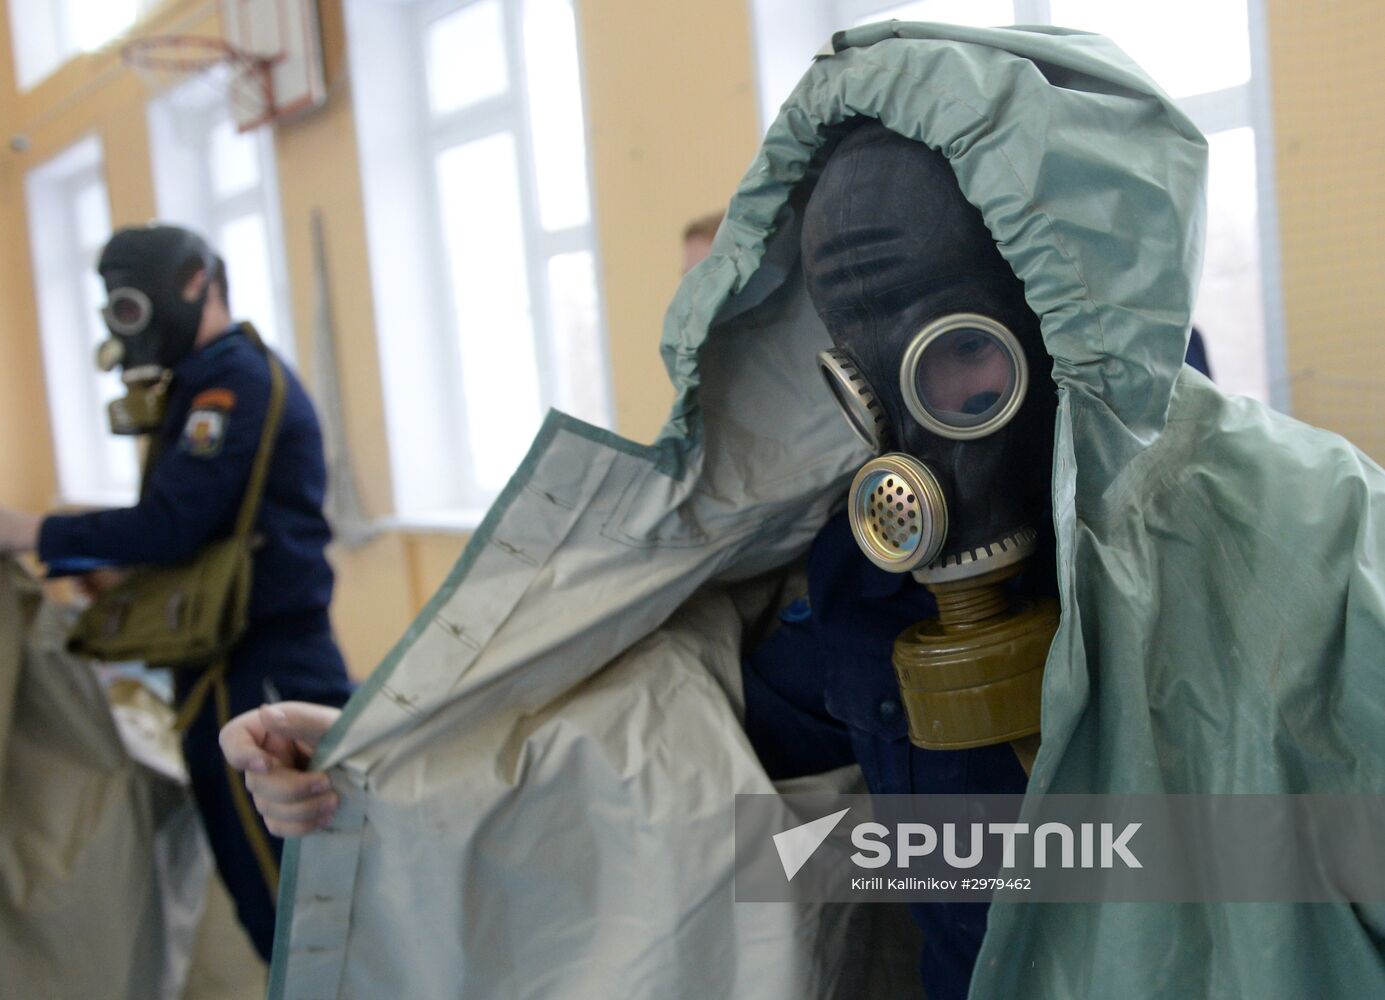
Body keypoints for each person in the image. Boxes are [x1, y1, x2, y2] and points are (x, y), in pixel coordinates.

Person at [221, 24, 1385, 1000]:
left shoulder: (1309, 540)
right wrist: (395, 755)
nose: (912, 448)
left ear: (1062, 311)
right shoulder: (861, 580)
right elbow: (682, 780)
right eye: (860, 382)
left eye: (957, 363)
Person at [0, 223, 354, 963]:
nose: (128, 327)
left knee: (294, 894)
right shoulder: (204, 379)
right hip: (224, 659)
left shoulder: (233, 385)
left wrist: (33, 531)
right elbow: (202, 529)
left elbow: (171, 526)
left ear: (197, 281)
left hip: (256, 664)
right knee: (259, 882)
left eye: (132, 306)